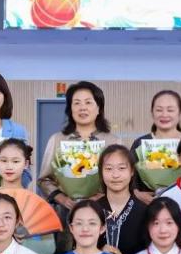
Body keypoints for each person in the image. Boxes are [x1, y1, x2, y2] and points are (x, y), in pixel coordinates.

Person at [38, 81, 122, 217]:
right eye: (77, 103)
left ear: (99, 108)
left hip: (104, 211)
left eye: (88, 102)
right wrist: (63, 199)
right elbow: (44, 180)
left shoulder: (113, 141)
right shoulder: (57, 140)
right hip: (65, 213)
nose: (82, 108)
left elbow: (122, 179)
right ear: (70, 109)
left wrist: (101, 197)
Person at [132, 90, 181, 204]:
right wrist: (137, 193)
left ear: (180, 112)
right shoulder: (139, 143)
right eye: (159, 110)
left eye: (170, 110)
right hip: (147, 205)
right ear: (152, 113)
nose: (164, 114)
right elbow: (130, 176)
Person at [98, 143, 149, 254]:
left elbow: (151, 252)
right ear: (101, 172)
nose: (115, 175)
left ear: (132, 171)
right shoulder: (92, 210)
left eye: (122, 168)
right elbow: (79, 251)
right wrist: (98, 253)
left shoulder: (144, 212)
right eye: (108, 169)